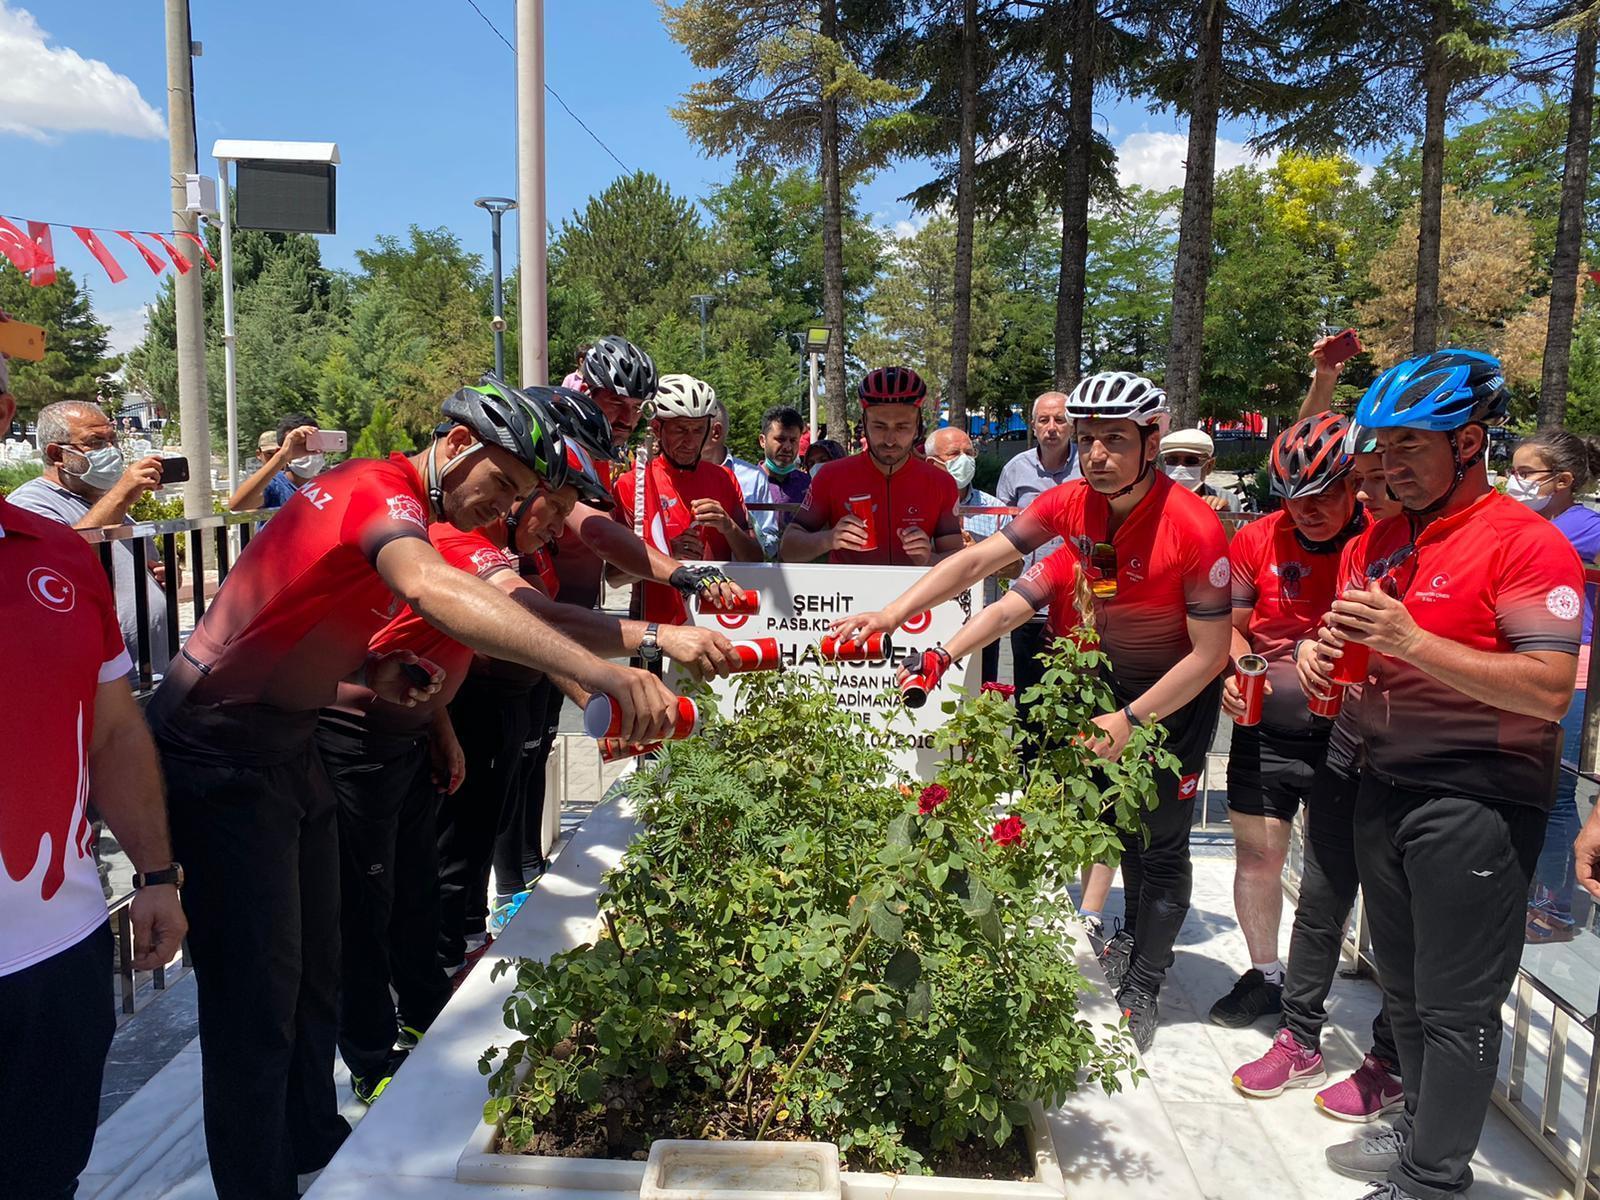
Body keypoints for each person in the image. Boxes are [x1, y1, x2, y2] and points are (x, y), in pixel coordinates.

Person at [146, 377, 682, 1200]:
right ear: (459, 447)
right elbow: (434, 591)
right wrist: (596, 669)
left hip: (289, 746)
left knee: (316, 967)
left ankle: (314, 1139)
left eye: (520, 497)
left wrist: (378, 667)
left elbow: (317, 605)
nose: (498, 508)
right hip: (219, 751)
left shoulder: (412, 508)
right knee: (255, 1000)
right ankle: (260, 1184)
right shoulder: (375, 488)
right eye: (500, 486)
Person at [829, 370, 1231, 1052]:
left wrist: (1133, 719)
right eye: (1086, 439)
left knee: (1160, 844)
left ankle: (1146, 980)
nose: (1096, 454)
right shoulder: (1074, 503)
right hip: (1101, 688)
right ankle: (1125, 936)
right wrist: (902, 620)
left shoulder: (1195, 527)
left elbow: (1211, 654)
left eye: (1114, 439)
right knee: (1109, 823)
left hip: (1171, 699)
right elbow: (986, 564)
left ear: (1152, 439)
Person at [1303, 349, 1582, 1199]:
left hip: (1479, 799)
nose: (1387, 468)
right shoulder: (1383, 536)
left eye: (1409, 449)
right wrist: (1322, 657)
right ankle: (1420, 1126)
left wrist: (1410, 642)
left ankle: (1434, 1178)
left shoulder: (1525, 543)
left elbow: (1547, 691)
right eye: (1379, 450)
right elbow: (1355, 645)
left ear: (1469, 443)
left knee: (1458, 1010)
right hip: (1382, 782)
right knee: (1408, 990)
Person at [0, 357, 189, 1200]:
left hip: (60, 955)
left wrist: (155, 875)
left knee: (46, 1175)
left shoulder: (59, 557)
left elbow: (113, 732)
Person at [1209, 412, 1365, 1036]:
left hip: (1348, 733)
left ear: (1356, 484)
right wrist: (1240, 664)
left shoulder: (1380, 539)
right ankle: (1266, 976)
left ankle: (1309, 995)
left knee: (1331, 875)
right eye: (1294, 497)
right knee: (1257, 856)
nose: (1308, 509)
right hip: (1265, 725)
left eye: (1325, 494)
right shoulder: (1256, 539)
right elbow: (1231, 622)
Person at [1508, 429, 1600, 943]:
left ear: (1563, 481)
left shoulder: (1586, 526)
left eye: (1525, 473)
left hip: (1573, 668)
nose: (1512, 481)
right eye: (1512, 469)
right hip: (1525, 665)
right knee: (1529, 785)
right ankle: (1526, 894)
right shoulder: (1532, 521)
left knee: (1559, 792)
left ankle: (1555, 907)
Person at [7, 399, 174, 683]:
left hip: (147, 674)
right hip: (102, 683)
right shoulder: (31, 503)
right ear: (57, 453)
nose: (111, 451)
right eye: (95, 442)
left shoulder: (108, 505)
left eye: (112, 439)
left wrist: (159, 578)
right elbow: (59, 563)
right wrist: (121, 493)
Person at [613, 374, 764, 624]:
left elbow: (755, 559)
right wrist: (666, 553)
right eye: (681, 429)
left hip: (718, 618)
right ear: (658, 429)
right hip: (656, 625)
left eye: (698, 430)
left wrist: (728, 527)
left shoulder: (723, 478)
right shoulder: (634, 483)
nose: (690, 440)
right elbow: (614, 576)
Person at [780, 367, 963, 567]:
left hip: (916, 596)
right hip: (849, 595)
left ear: (918, 426)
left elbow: (957, 559)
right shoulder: (831, 476)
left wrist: (930, 559)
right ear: (864, 423)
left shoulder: (941, 482)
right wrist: (829, 539)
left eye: (902, 427)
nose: (890, 440)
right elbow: (788, 549)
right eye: (879, 426)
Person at [994, 390, 1081, 743]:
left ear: (1072, 425)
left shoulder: (1087, 467)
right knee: (1028, 691)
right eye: (1044, 420)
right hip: (1029, 603)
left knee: (1077, 694)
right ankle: (1029, 769)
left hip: (1079, 602)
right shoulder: (1016, 469)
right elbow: (1001, 528)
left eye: (1059, 419)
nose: (1051, 428)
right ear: (1033, 425)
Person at [927, 425, 1005, 681]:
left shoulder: (995, 508)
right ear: (933, 462)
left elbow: (1016, 567)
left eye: (969, 453)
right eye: (954, 453)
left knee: (982, 697)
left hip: (982, 623)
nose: (964, 459)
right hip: (928, 619)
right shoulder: (917, 507)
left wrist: (984, 556)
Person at [739, 405, 811, 559]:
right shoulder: (744, 484)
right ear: (762, 441)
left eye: (793, 440)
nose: (787, 447)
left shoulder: (809, 485)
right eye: (780, 439)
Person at [228, 412, 325, 511]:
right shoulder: (274, 485)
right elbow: (237, 504)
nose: (305, 452)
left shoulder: (328, 486)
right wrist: (282, 457)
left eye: (310, 443)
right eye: (297, 444)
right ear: (281, 450)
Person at [1159, 426, 1241, 512]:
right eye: (1172, 460)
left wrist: (1225, 519)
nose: (1180, 466)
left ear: (1209, 466)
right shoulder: (1152, 500)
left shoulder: (1229, 501)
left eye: (1191, 460)